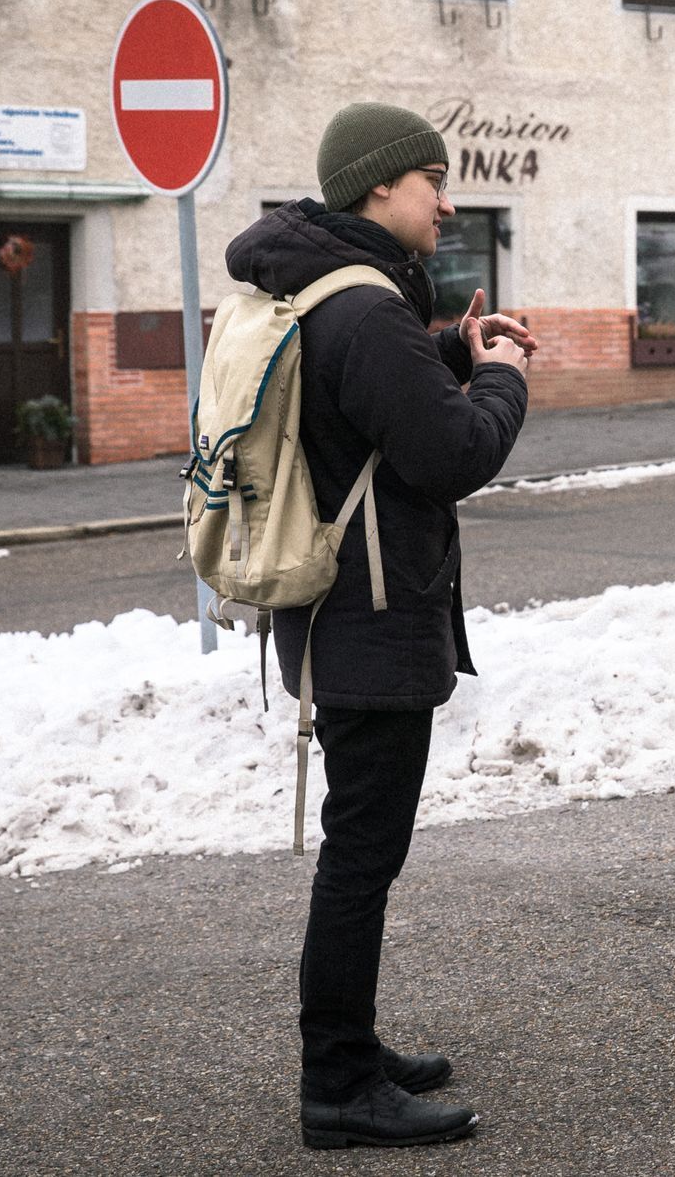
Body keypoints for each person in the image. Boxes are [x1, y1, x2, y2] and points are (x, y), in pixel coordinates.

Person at [224, 101, 535, 1150]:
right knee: (361, 855)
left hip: (336, 609)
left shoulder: (323, 289)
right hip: (374, 616)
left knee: (361, 850)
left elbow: (364, 404)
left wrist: (447, 346)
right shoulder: (361, 307)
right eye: (433, 182)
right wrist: (499, 376)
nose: (448, 203)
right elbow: (446, 456)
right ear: (377, 186)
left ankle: (348, 1045)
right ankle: (340, 1083)